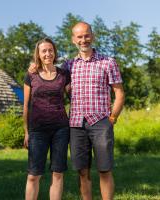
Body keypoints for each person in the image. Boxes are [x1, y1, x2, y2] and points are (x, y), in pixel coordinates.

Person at [66, 22, 125, 200]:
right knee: (82, 172)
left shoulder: (108, 62)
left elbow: (119, 92)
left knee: (104, 169)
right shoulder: (68, 66)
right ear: (73, 40)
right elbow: (49, 78)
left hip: (100, 122)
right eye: (79, 36)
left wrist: (112, 118)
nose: (83, 40)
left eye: (86, 35)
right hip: (76, 124)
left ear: (92, 36)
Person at [23, 38, 70, 200]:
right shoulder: (31, 75)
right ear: (38, 54)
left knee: (57, 173)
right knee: (33, 175)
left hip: (61, 129)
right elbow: (26, 105)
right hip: (38, 130)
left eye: (50, 50)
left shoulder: (64, 74)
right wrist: (26, 131)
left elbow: (74, 97)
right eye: (44, 51)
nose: (48, 53)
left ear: (55, 52)